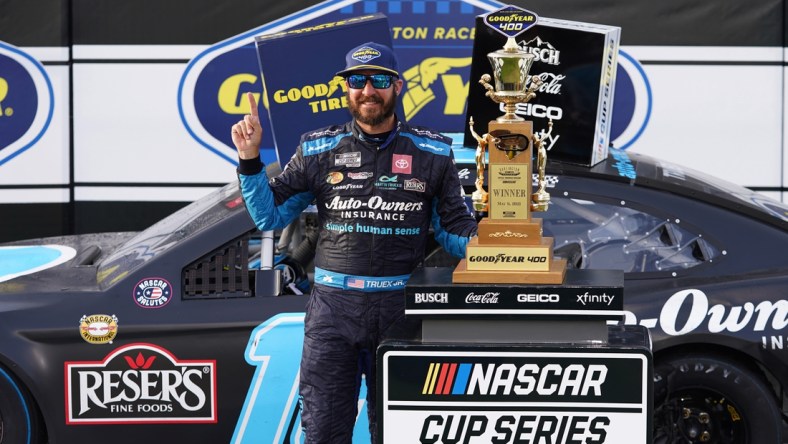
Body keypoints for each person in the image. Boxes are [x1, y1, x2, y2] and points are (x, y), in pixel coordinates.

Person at [231, 41, 477, 443]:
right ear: (345, 89)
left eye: (378, 80)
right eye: (357, 81)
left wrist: (500, 245)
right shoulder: (317, 148)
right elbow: (269, 217)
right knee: (325, 432)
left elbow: (453, 229)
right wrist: (250, 159)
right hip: (333, 311)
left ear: (397, 86)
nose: (368, 90)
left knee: (400, 433)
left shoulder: (432, 151)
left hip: (401, 311)